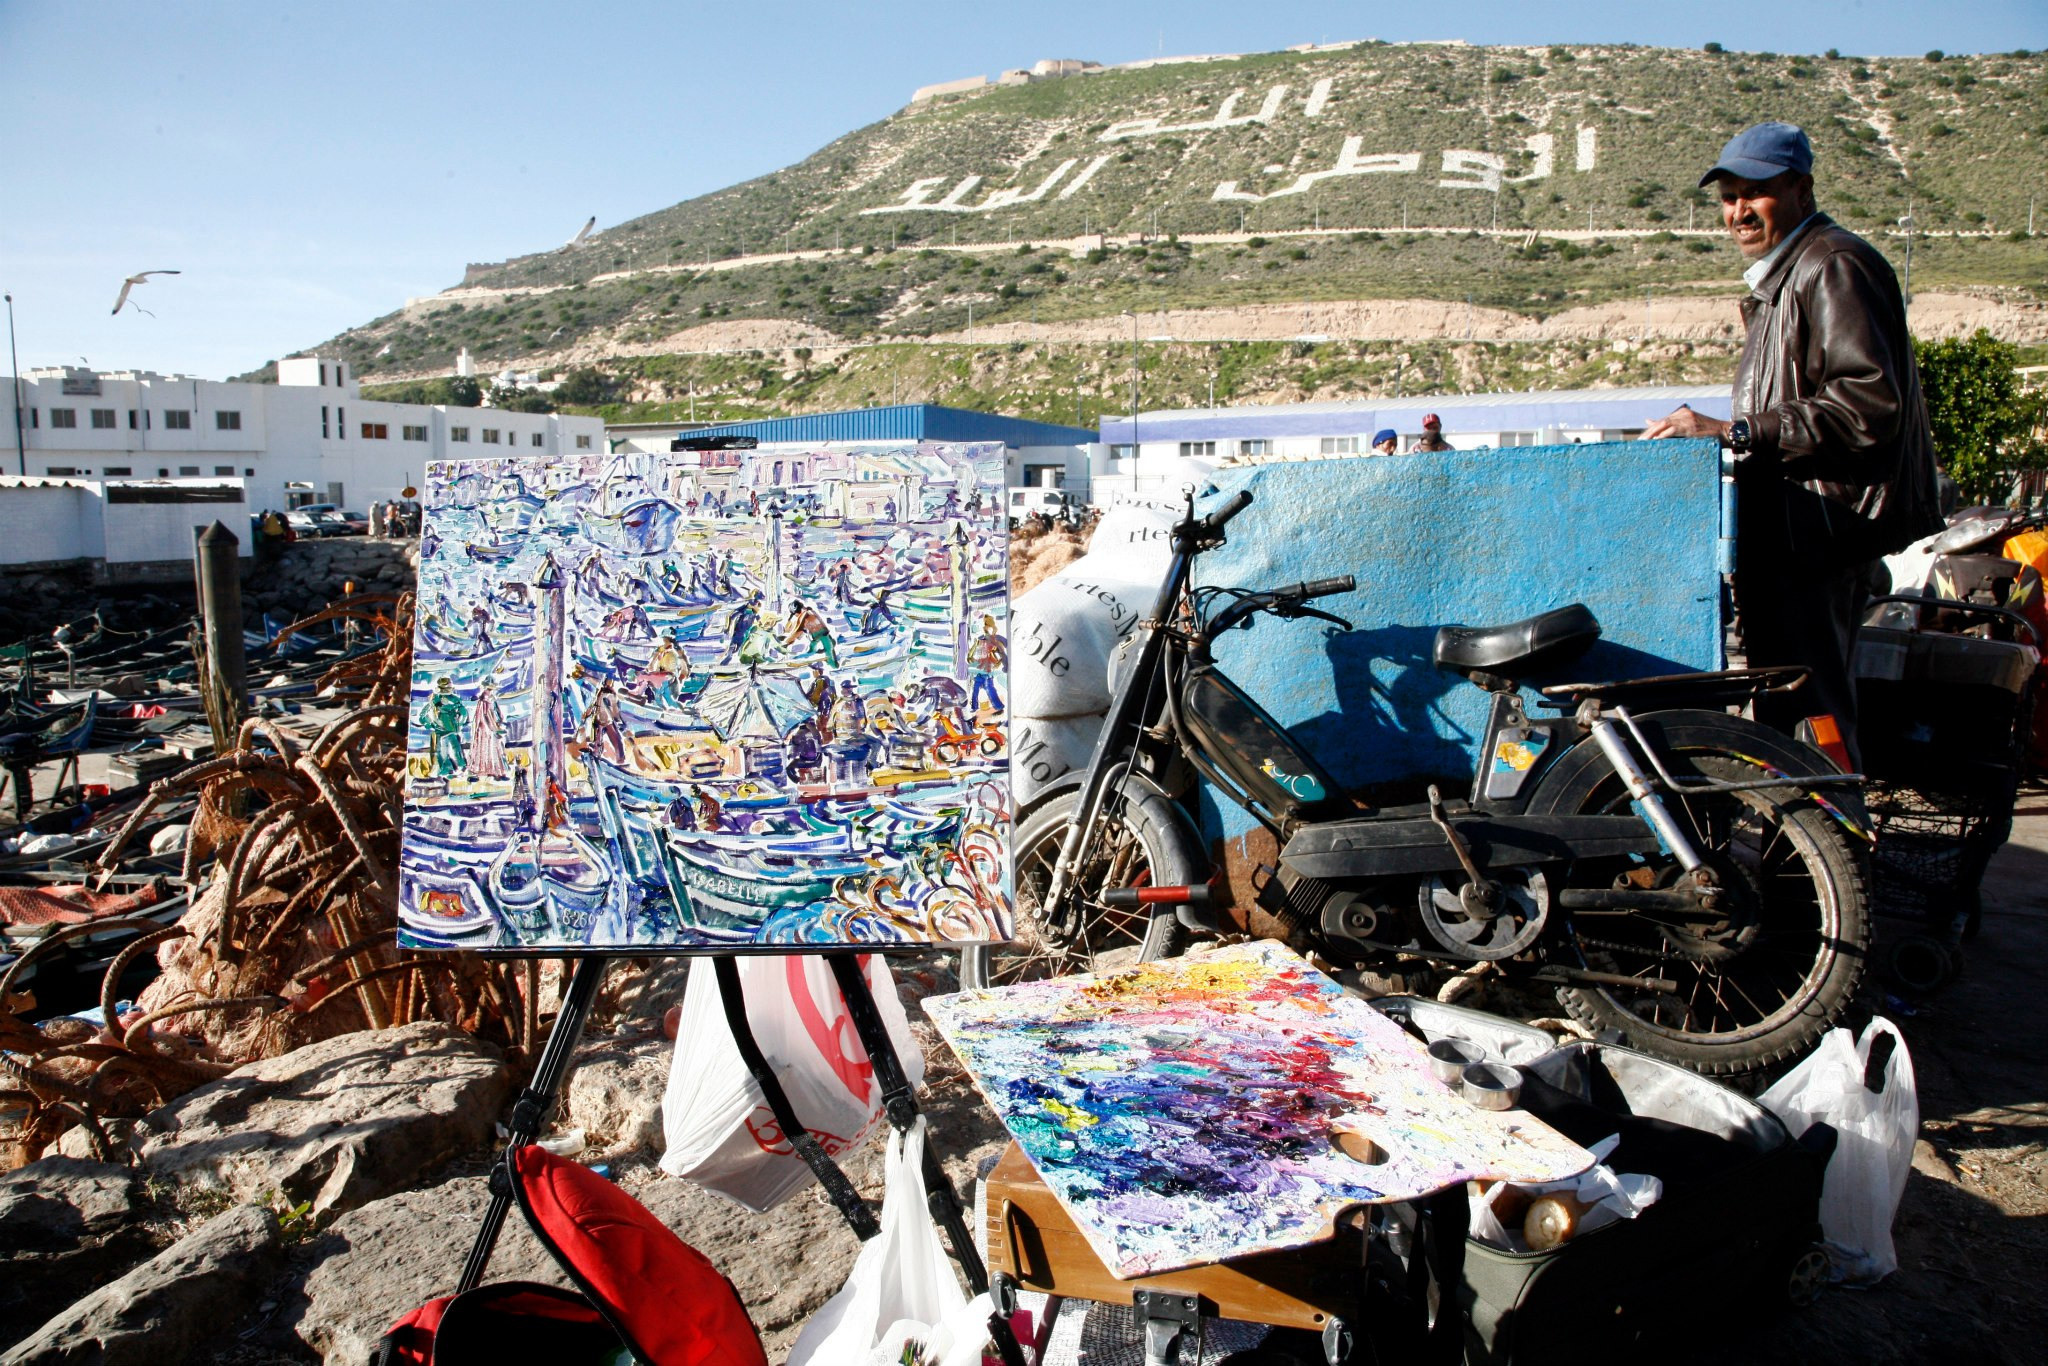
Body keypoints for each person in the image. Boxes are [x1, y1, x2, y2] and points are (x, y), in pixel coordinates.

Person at [1642, 121, 1941, 767]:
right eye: (1728, 197)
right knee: (1790, 714)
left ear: (1801, 190)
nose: (1738, 211)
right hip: (1794, 533)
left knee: (1815, 715)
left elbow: (1869, 405)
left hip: (1820, 533)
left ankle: (1835, 858)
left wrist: (1736, 432)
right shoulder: (1785, 280)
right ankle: (1805, 861)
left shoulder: (1831, 265)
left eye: (1757, 192)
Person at [968, 613, 1008, 714]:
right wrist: (970, 656)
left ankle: (998, 706)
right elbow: (973, 649)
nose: (985, 627)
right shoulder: (981, 640)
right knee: (977, 689)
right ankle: (975, 706)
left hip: (987, 669)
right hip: (980, 669)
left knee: (989, 689)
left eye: (987, 624)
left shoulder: (993, 641)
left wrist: (999, 662)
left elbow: (1000, 653)